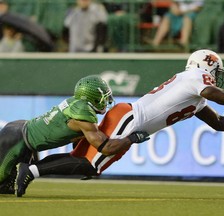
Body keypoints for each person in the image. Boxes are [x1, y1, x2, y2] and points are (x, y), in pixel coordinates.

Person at [15, 49, 224, 197]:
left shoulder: (195, 93)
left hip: (130, 118)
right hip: (130, 118)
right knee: (90, 164)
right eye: (216, 71)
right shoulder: (195, 78)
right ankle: (31, 170)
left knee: (87, 165)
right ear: (209, 66)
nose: (217, 77)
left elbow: (218, 122)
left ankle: (31, 170)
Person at [0, 75, 149, 196]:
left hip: (21, 131)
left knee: (5, 188)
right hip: (17, 139)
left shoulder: (77, 103)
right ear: (92, 98)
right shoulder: (83, 114)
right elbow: (106, 148)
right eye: (102, 97)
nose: (106, 101)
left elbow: (77, 139)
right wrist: (132, 138)